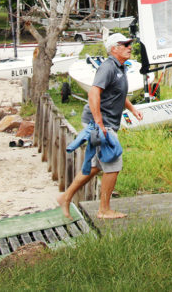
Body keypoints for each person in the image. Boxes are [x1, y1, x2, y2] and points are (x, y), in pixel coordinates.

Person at [57, 32, 143, 219]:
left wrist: (132, 109)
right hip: (100, 122)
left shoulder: (121, 68)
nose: (130, 47)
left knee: (96, 166)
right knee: (113, 162)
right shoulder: (108, 68)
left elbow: (118, 93)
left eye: (130, 44)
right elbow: (93, 94)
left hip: (107, 121)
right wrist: (99, 123)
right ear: (114, 49)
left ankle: (66, 197)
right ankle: (104, 210)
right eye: (125, 44)